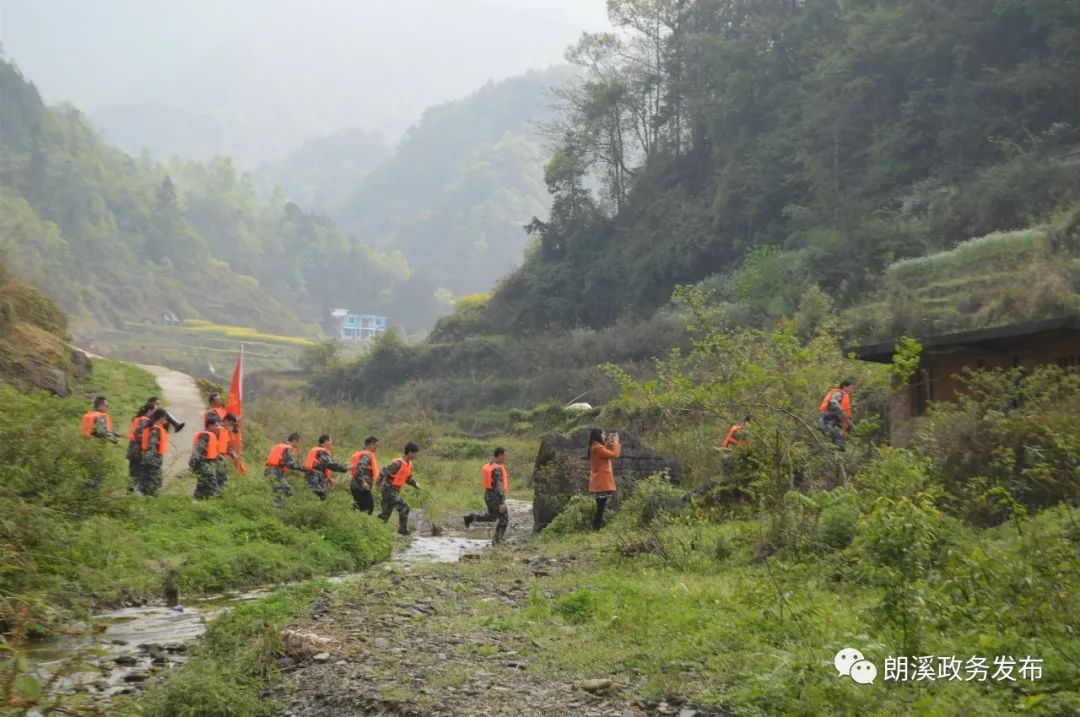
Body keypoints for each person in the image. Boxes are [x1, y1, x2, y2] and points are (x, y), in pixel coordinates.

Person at [464, 447, 510, 544]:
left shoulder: (491, 465)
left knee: (492, 517)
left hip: (488, 495)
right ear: (500, 455)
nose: (506, 457)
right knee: (504, 518)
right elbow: (498, 486)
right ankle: (497, 541)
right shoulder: (497, 469)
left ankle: (471, 518)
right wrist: (501, 502)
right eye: (505, 455)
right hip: (495, 497)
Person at [378, 443, 420, 536]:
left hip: (395, 490)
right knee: (405, 507)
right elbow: (383, 472)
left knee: (385, 515)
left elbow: (408, 478)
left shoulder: (409, 464)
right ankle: (402, 530)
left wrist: (415, 485)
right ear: (409, 452)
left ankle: (374, 528)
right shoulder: (398, 463)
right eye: (415, 453)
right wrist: (378, 485)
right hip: (389, 489)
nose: (416, 455)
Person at [588, 428, 621, 530]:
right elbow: (614, 454)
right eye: (603, 434)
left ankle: (596, 526)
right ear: (598, 435)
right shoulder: (597, 448)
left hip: (598, 481)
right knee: (601, 507)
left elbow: (605, 450)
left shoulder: (594, 446)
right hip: (602, 481)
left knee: (600, 506)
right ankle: (596, 527)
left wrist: (610, 442)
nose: (604, 436)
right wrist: (615, 442)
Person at [135, 409, 169, 496]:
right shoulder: (155, 430)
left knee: (147, 483)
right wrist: (150, 462)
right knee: (154, 484)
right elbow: (152, 446)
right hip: (152, 461)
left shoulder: (152, 428)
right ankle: (150, 501)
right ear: (161, 417)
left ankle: (146, 501)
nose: (165, 420)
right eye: (165, 418)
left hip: (149, 459)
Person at [304, 434, 348, 501]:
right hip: (315, 479)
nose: (332, 442)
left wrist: (328, 479)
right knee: (318, 499)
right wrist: (346, 468)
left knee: (317, 499)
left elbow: (321, 467)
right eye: (331, 440)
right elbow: (330, 465)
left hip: (313, 478)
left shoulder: (316, 450)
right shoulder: (321, 451)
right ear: (326, 441)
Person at [190, 413, 222, 499]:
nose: (217, 428)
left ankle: (196, 504)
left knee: (201, 489)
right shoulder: (205, 436)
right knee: (214, 490)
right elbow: (198, 449)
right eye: (216, 426)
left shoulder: (209, 436)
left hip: (207, 466)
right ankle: (214, 508)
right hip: (205, 467)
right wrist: (194, 460)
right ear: (210, 426)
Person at [265, 433, 303, 506]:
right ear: (295, 441)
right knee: (284, 490)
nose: (299, 444)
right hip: (275, 472)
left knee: (283, 490)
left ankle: (273, 506)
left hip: (271, 471)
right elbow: (292, 464)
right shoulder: (288, 448)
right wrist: (304, 469)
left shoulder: (281, 446)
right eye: (299, 442)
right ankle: (274, 507)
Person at [819, 379, 854, 450]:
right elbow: (834, 401)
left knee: (839, 442)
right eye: (851, 387)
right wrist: (842, 413)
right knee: (838, 443)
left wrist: (848, 421)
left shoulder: (844, 396)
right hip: (828, 422)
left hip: (834, 423)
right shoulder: (839, 393)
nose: (852, 390)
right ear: (844, 387)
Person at [126, 403, 154, 492]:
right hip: (138, 451)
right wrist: (147, 443)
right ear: (149, 411)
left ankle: (129, 493)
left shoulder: (138, 418)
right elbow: (139, 434)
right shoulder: (145, 420)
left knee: (133, 473)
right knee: (138, 474)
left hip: (132, 449)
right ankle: (133, 494)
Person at [349, 436, 379, 514]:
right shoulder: (366, 455)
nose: (377, 448)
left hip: (356, 485)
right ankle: (362, 524)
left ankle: (353, 522)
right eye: (376, 446)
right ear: (371, 445)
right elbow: (360, 469)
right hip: (360, 487)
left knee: (358, 507)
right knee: (369, 508)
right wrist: (363, 483)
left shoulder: (362, 454)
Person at [212, 413, 239, 493]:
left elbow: (226, 446)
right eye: (231, 424)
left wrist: (232, 454)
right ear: (226, 421)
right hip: (215, 458)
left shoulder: (222, 430)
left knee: (222, 478)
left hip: (220, 458)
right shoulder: (219, 429)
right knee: (218, 479)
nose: (231, 427)